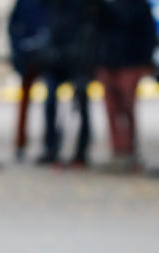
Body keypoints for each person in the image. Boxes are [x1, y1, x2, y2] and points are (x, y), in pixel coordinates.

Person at [95, 0, 156, 172]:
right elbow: (96, 30)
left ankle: (130, 150)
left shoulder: (138, 5)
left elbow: (148, 32)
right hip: (108, 61)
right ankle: (117, 151)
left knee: (127, 108)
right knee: (111, 110)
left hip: (130, 61)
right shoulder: (105, 5)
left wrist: (145, 61)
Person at [37, 0, 99, 167]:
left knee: (81, 106)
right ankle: (51, 148)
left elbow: (93, 27)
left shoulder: (86, 6)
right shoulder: (54, 6)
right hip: (55, 60)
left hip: (79, 61)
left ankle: (81, 152)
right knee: (50, 103)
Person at [8, 0, 50, 161]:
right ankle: (20, 142)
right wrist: (19, 47)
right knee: (24, 102)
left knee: (50, 100)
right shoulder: (24, 3)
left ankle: (49, 145)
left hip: (49, 55)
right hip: (26, 56)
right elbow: (13, 26)